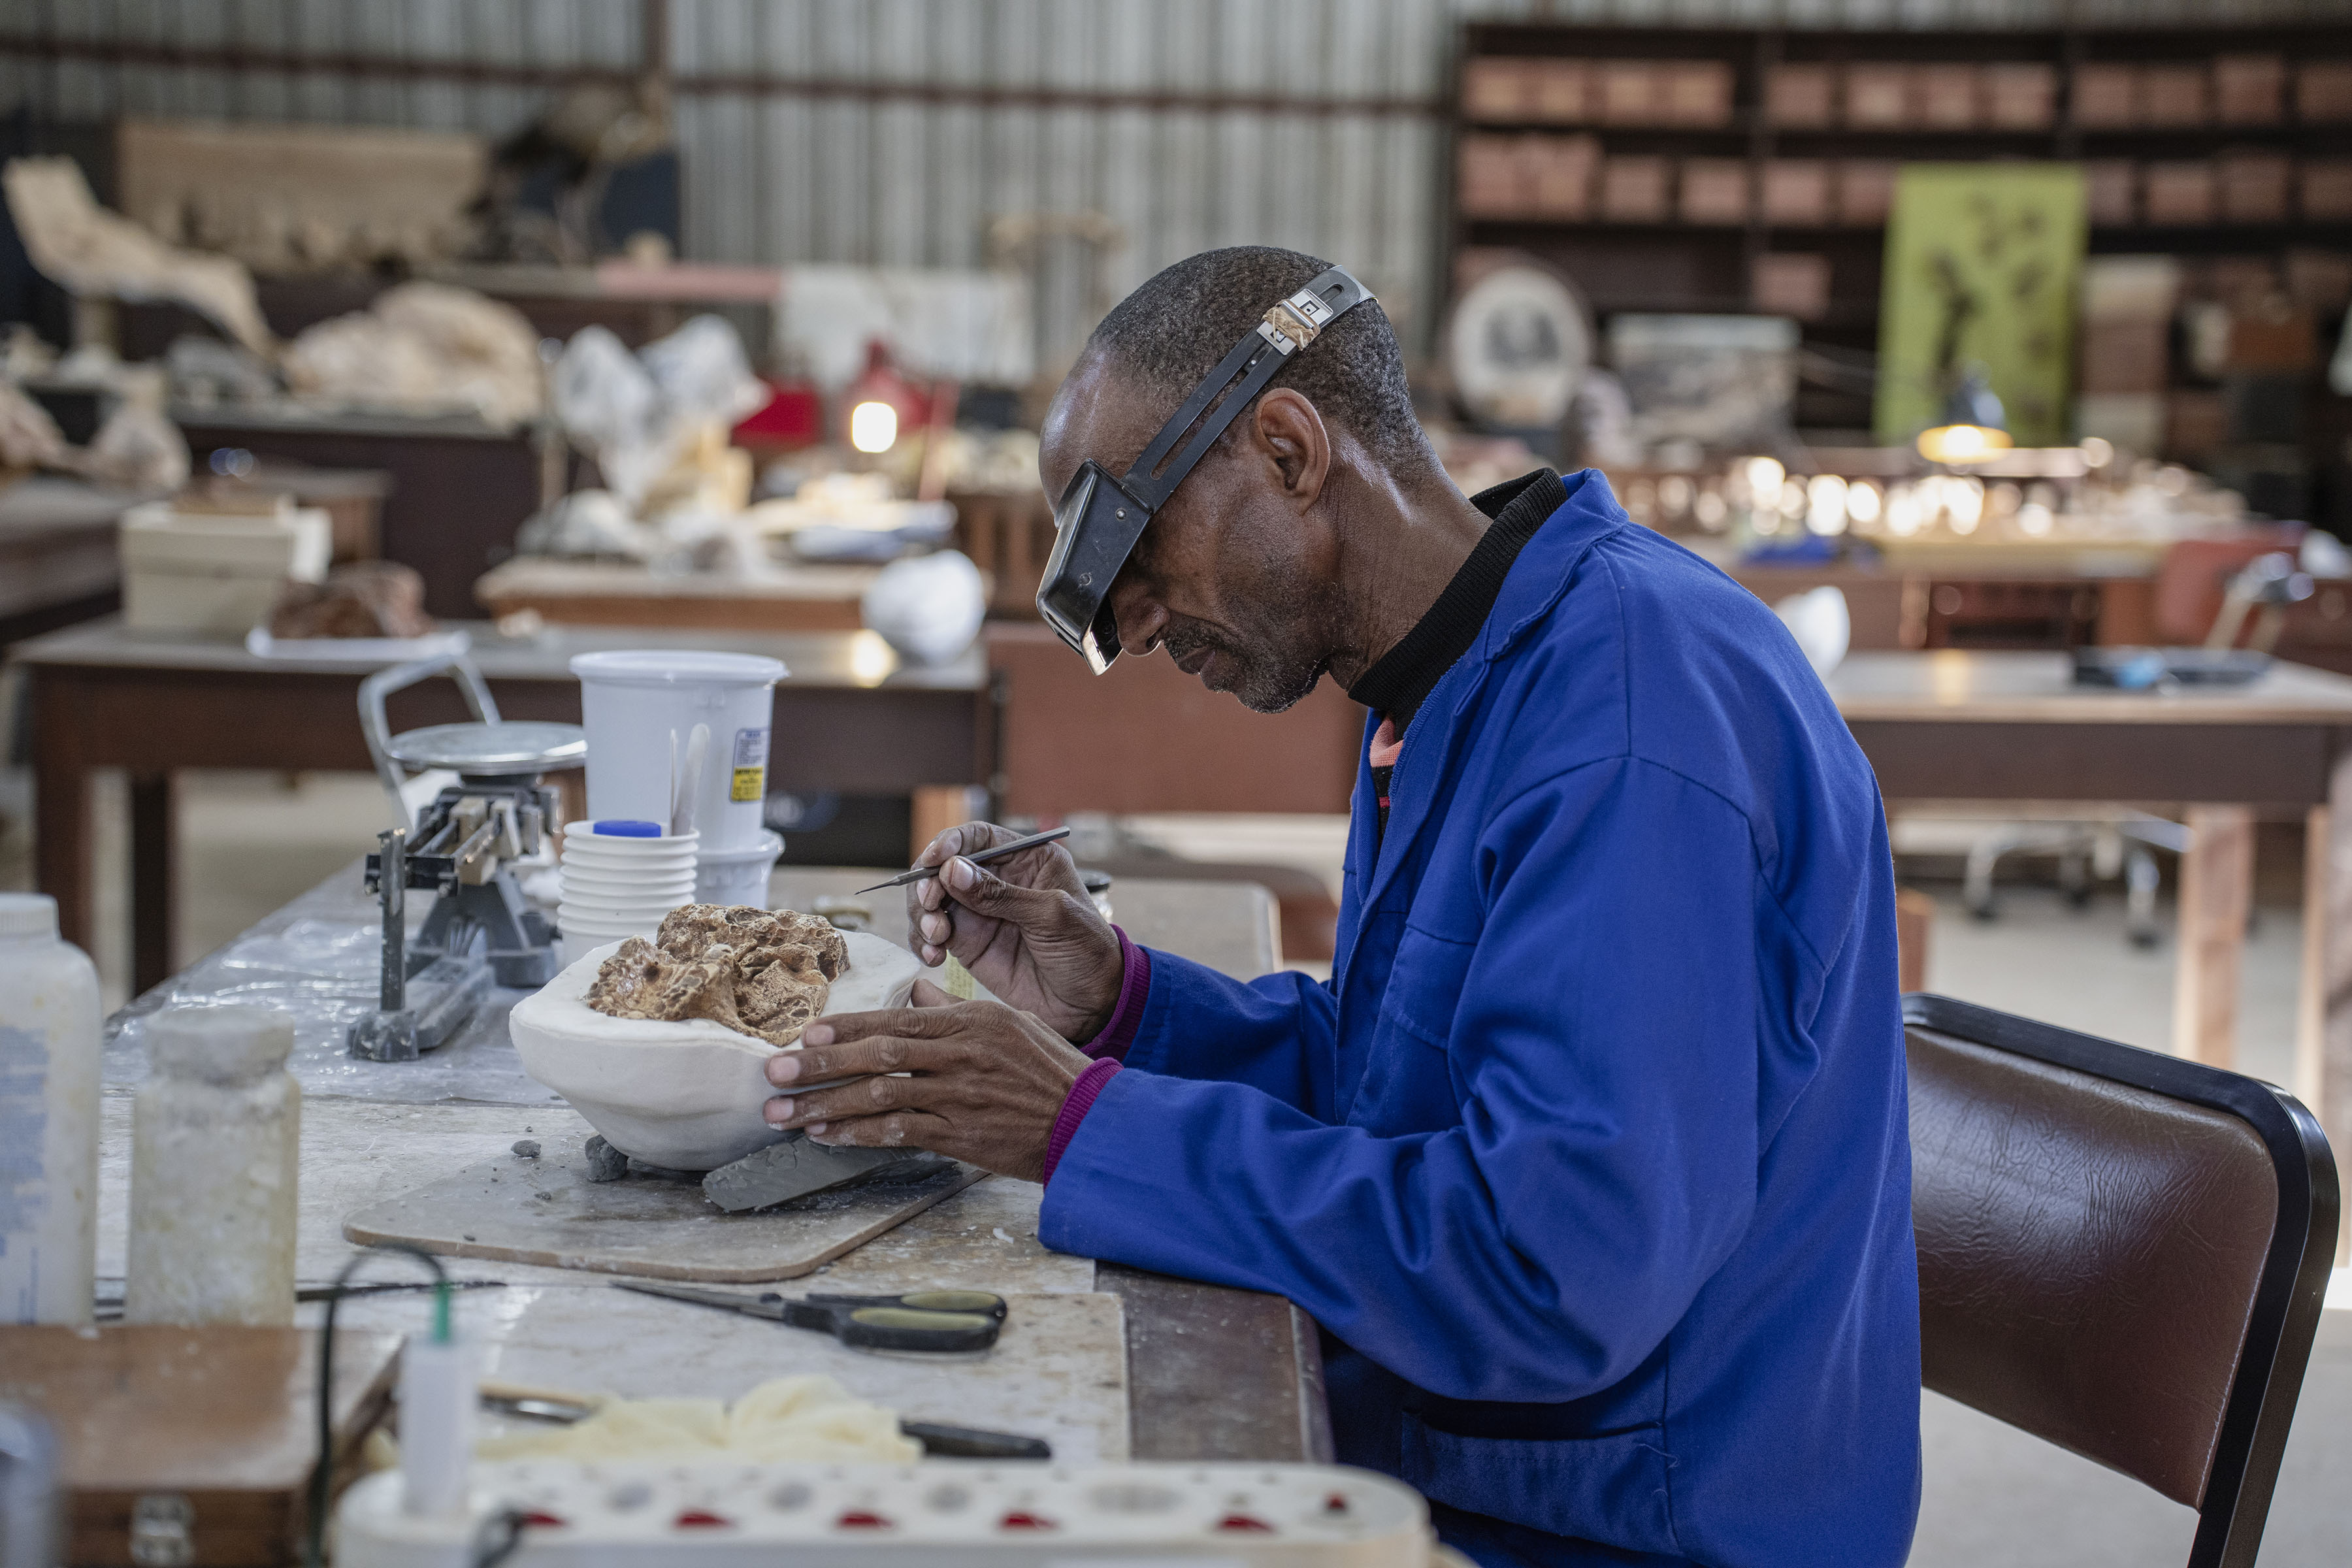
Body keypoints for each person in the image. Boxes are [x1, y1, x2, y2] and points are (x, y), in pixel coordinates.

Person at [760, 246, 1920, 1567]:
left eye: (1131, 551)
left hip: (1622, 1534)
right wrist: (1125, 1005)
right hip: (1490, 1476)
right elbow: (1407, 1093)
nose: (1132, 628)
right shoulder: (1462, 675)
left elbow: (1550, 1269)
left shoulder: (1628, 726)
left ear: (1289, 450)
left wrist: (1080, 1128)